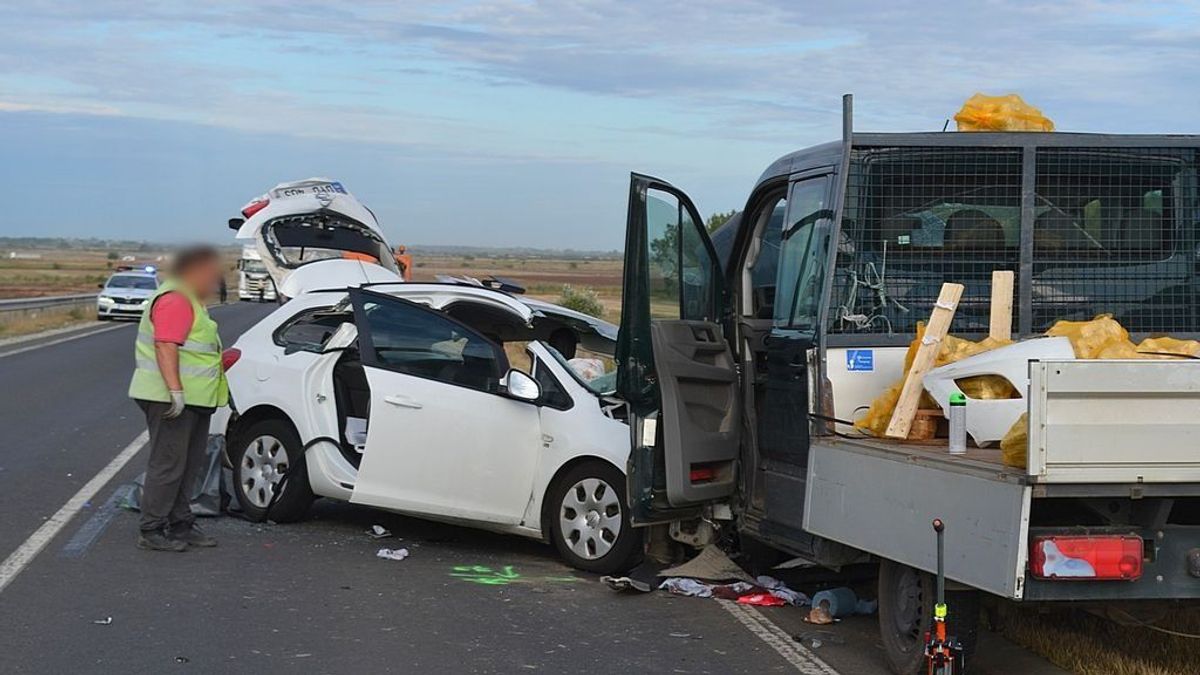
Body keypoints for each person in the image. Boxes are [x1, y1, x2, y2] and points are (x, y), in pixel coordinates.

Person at [127, 246, 228, 552]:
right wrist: (176, 392)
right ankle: (152, 528)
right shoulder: (176, 299)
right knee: (169, 465)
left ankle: (181, 523)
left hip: (195, 398)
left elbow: (193, 351)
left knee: (188, 465)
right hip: (171, 399)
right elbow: (166, 346)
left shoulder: (190, 300)